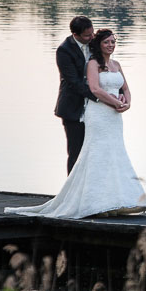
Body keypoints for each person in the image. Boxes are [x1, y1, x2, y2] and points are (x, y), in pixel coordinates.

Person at [8, 28, 146, 218]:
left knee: (115, 153)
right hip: (99, 114)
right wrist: (115, 102)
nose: (111, 45)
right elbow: (95, 89)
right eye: (106, 42)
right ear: (98, 45)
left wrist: (128, 102)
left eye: (113, 42)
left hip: (115, 117)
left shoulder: (117, 64)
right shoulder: (92, 64)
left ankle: (116, 201)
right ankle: (94, 203)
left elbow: (125, 87)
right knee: (97, 153)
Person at [56, 16, 98, 174]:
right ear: (75, 34)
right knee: (76, 152)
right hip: (72, 107)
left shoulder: (94, 44)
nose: (91, 37)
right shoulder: (64, 50)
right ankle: (72, 193)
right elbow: (73, 81)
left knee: (95, 151)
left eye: (92, 33)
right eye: (87, 35)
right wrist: (98, 96)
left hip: (94, 109)